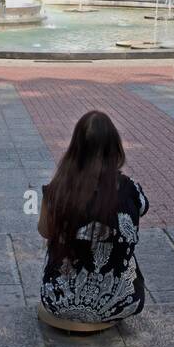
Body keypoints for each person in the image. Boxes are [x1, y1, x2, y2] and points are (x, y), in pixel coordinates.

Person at [39, 111, 148, 324]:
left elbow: (44, 231)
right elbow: (142, 209)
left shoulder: (57, 190)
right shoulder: (131, 189)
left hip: (58, 301)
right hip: (121, 301)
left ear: (75, 149)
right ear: (115, 148)